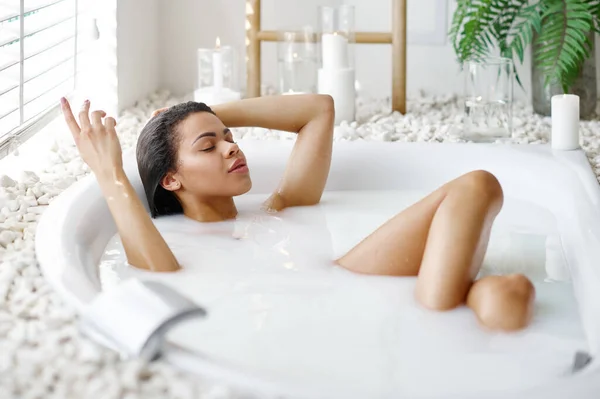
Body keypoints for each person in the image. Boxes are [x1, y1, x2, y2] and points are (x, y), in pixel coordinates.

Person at [59, 94, 535, 331]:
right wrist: (110, 173)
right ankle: (457, 308)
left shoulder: (277, 207)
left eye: (229, 137)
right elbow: (155, 270)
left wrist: (198, 113)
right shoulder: (173, 245)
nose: (230, 147)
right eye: (210, 145)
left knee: (479, 188)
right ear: (171, 180)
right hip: (343, 313)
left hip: (353, 282)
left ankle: (448, 308)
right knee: (507, 298)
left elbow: (318, 110)